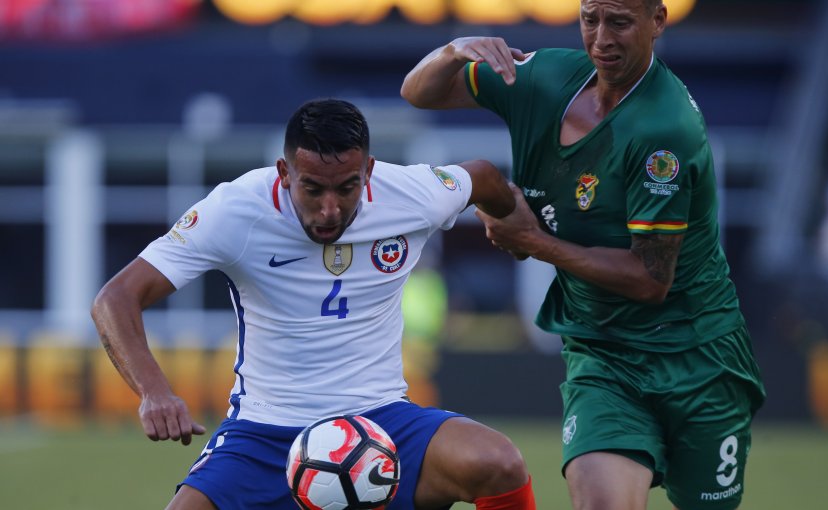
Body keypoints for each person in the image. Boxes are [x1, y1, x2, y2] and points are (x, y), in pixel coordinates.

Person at [401, 1, 766, 509]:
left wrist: (533, 242)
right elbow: (419, 92)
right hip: (604, 355)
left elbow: (648, 280)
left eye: (619, 22)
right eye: (590, 19)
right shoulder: (544, 79)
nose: (601, 39)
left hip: (699, 356)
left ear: (657, 21)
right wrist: (452, 51)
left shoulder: (665, 131)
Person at [91, 99, 537, 510]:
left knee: (498, 463)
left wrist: (514, 225)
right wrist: (153, 391)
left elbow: (480, 176)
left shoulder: (411, 194)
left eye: (347, 188)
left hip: (381, 421)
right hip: (263, 434)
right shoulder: (235, 211)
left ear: (369, 170)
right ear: (285, 172)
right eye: (312, 189)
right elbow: (116, 297)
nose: (329, 210)